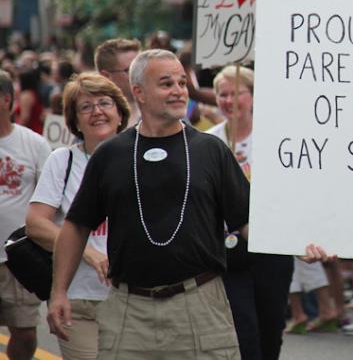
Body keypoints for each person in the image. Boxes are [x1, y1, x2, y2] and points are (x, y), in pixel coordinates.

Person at [47, 49, 250, 359]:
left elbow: (247, 220)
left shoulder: (212, 150)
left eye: (182, 83)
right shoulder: (111, 154)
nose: (179, 91)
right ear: (138, 92)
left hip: (199, 305)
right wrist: (58, 291)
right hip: (129, 308)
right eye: (167, 84)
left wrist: (303, 244)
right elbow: (76, 225)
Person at [26, 73, 129, 360]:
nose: (97, 111)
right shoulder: (63, 160)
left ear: (120, 113)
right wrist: (86, 251)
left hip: (133, 299)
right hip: (79, 299)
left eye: (105, 103)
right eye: (86, 106)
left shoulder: (138, 157)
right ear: (75, 122)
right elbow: (36, 224)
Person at [206, 65, 294, 359]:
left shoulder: (277, 137)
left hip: (272, 246)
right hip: (229, 249)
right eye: (223, 94)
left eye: (237, 93)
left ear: (253, 96)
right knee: (242, 330)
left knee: (271, 327)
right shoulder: (209, 142)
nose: (230, 101)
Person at [0, 70, 52, 360]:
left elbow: (49, 200)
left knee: (25, 332)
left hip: (18, 258)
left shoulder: (33, 144)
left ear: (7, 100)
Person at [94, 38, 140, 126]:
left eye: (142, 68)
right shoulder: (95, 120)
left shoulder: (159, 113)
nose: (141, 74)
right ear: (106, 76)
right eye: (131, 70)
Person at [15, 67, 45, 134]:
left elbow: (25, 118)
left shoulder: (26, 96)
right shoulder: (34, 93)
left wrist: (13, 131)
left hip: (29, 131)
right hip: (37, 130)